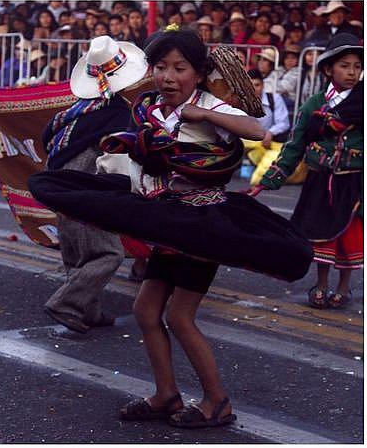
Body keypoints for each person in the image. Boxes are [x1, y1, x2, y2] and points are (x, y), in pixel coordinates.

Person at [29, 28, 311, 428]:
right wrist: (128, 143)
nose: (169, 76)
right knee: (145, 310)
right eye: (161, 67)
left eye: (180, 68)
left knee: (180, 317)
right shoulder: (150, 109)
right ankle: (166, 394)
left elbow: (255, 131)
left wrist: (206, 114)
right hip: (167, 221)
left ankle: (218, 400)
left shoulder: (209, 104)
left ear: (198, 73)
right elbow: (149, 148)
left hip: (200, 227)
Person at [39, 36, 150, 333]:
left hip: (59, 189)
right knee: (106, 253)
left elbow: (44, 137)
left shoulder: (71, 113)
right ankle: (66, 303)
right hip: (86, 193)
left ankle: (90, 311)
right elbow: (122, 156)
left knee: (77, 256)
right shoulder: (116, 115)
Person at [253, 34, 363, 310]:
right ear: (328, 69)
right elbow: (295, 144)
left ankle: (343, 287)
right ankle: (322, 284)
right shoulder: (313, 105)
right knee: (320, 234)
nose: (352, 72)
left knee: (348, 235)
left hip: (353, 181)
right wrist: (268, 180)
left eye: (357, 66)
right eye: (345, 65)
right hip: (320, 179)